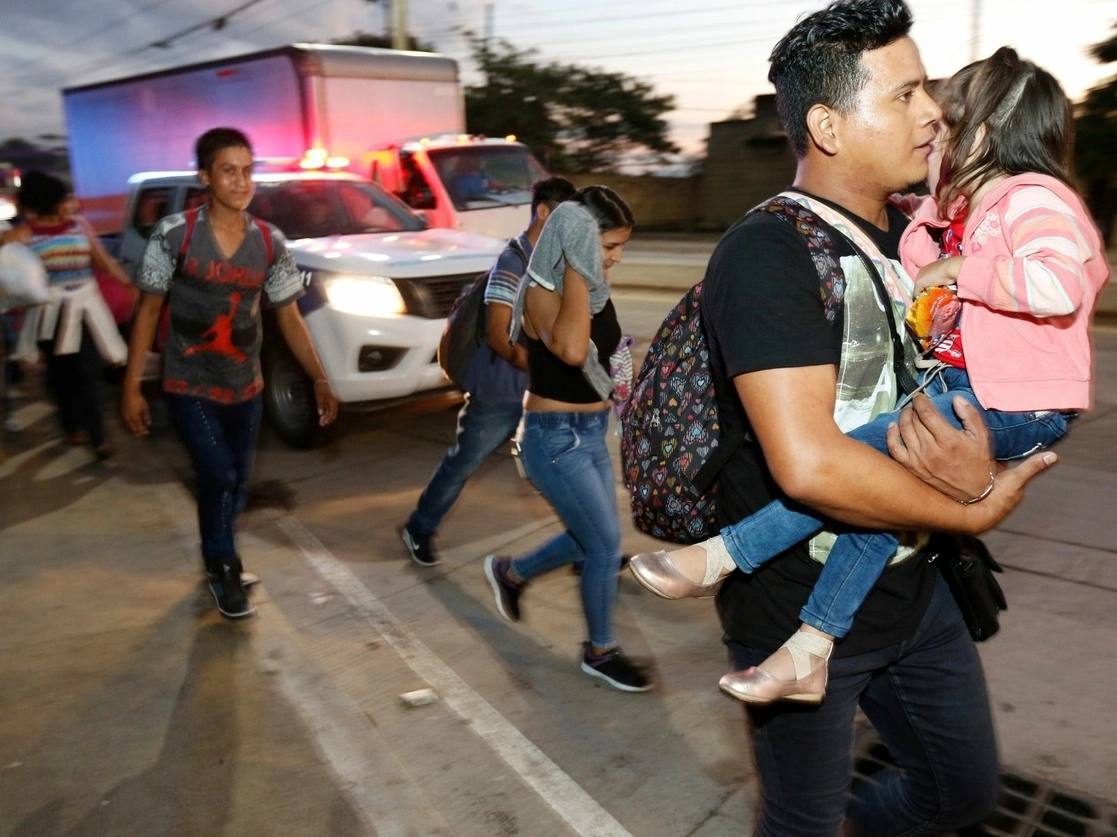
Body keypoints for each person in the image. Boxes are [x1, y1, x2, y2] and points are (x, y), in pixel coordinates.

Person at [631, 1, 1058, 832]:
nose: (932, 111)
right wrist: (977, 501)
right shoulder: (769, 252)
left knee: (959, 794)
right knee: (801, 822)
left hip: (918, 588)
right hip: (794, 607)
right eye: (902, 96)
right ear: (827, 125)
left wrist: (977, 465)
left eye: (926, 89)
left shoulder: (915, 238)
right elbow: (812, 466)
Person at [121, 127, 338, 620]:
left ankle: (218, 552)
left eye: (247, 171)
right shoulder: (174, 234)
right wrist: (133, 386)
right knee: (217, 473)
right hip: (188, 381)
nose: (241, 182)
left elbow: (288, 315)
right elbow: (148, 313)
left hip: (247, 385)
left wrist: (320, 378)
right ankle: (223, 566)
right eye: (228, 171)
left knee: (236, 481)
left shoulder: (269, 241)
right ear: (205, 177)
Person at [482, 186, 649, 692]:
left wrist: (628, 393)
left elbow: (605, 353)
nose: (616, 258)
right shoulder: (542, 287)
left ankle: (512, 573)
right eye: (609, 246)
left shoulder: (592, 288)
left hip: (592, 433)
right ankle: (599, 651)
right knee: (603, 546)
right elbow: (573, 350)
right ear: (577, 239)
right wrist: (579, 263)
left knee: (590, 537)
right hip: (553, 442)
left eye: (621, 247)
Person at [400, 176, 577, 566]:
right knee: (465, 460)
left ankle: (585, 542)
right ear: (544, 212)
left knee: (565, 465)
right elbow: (499, 337)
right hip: (501, 390)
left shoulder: (554, 260)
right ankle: (419, 527)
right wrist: (542, 368)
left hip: (540, 391)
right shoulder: (512, 263)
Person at [2, 170, 132, 460]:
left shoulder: (79, 226)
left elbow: (104, 260)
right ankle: (72, 424)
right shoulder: (24, 234)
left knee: (88, 371)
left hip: (84, 308)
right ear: (53, 201)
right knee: (62, 375)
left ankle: (99, 438)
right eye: (64, 197)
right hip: (49, 314)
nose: (69, 202)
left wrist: (129, 285)